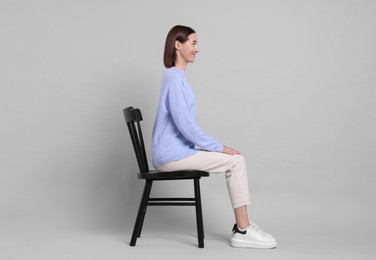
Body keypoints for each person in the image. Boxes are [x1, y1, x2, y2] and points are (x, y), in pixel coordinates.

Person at [152, 25, 277, 249]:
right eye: (193, 43)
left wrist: (212, 147)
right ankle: (243, 229)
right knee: (236, 161)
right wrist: (217, 147)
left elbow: (185, 127)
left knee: (234, 160)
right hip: (173, 155)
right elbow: (185, 126)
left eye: (197, 43)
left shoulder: (176, 76)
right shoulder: (173, 78)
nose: (197, 49)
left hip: (177, 152)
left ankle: (243, 227)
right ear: (177, 45)